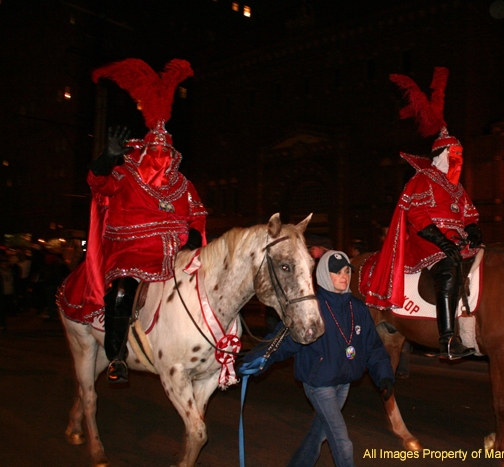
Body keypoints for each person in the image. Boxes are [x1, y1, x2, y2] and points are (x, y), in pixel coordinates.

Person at [58, 59, 207, 384]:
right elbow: (98, 184)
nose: (162, 158)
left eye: (166, 152)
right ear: (142, 151)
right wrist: (107, 157)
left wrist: (194, 236)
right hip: (132, 253)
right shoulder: (125, 176)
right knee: (123, 291)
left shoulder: (183, 184)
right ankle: (116, 356)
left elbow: (197, 214)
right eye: (156, 152)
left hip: (176, 256)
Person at [360, 67, 481, 359]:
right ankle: (447, 340)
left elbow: (469, 216)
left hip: (457, 242)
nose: (458, 161)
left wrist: (474, 232)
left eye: (460, 157)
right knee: (448, 272)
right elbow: (417, 217)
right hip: (427, 243)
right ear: (441, 156)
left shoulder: (457, 188)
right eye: (454, 156)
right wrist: (443, 243)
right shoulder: (423, 179)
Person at [240, 250, 394, 467]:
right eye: (337, 272)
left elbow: (373, 347)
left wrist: (384, 374)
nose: (344, 276)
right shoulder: (312, 308)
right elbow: (284, 341)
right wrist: (255, 361)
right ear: (323, 275)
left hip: (344, 383)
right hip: (319, 383)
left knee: (318, 435)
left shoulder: (357, 308)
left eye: (346, 272)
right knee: (342, 443)